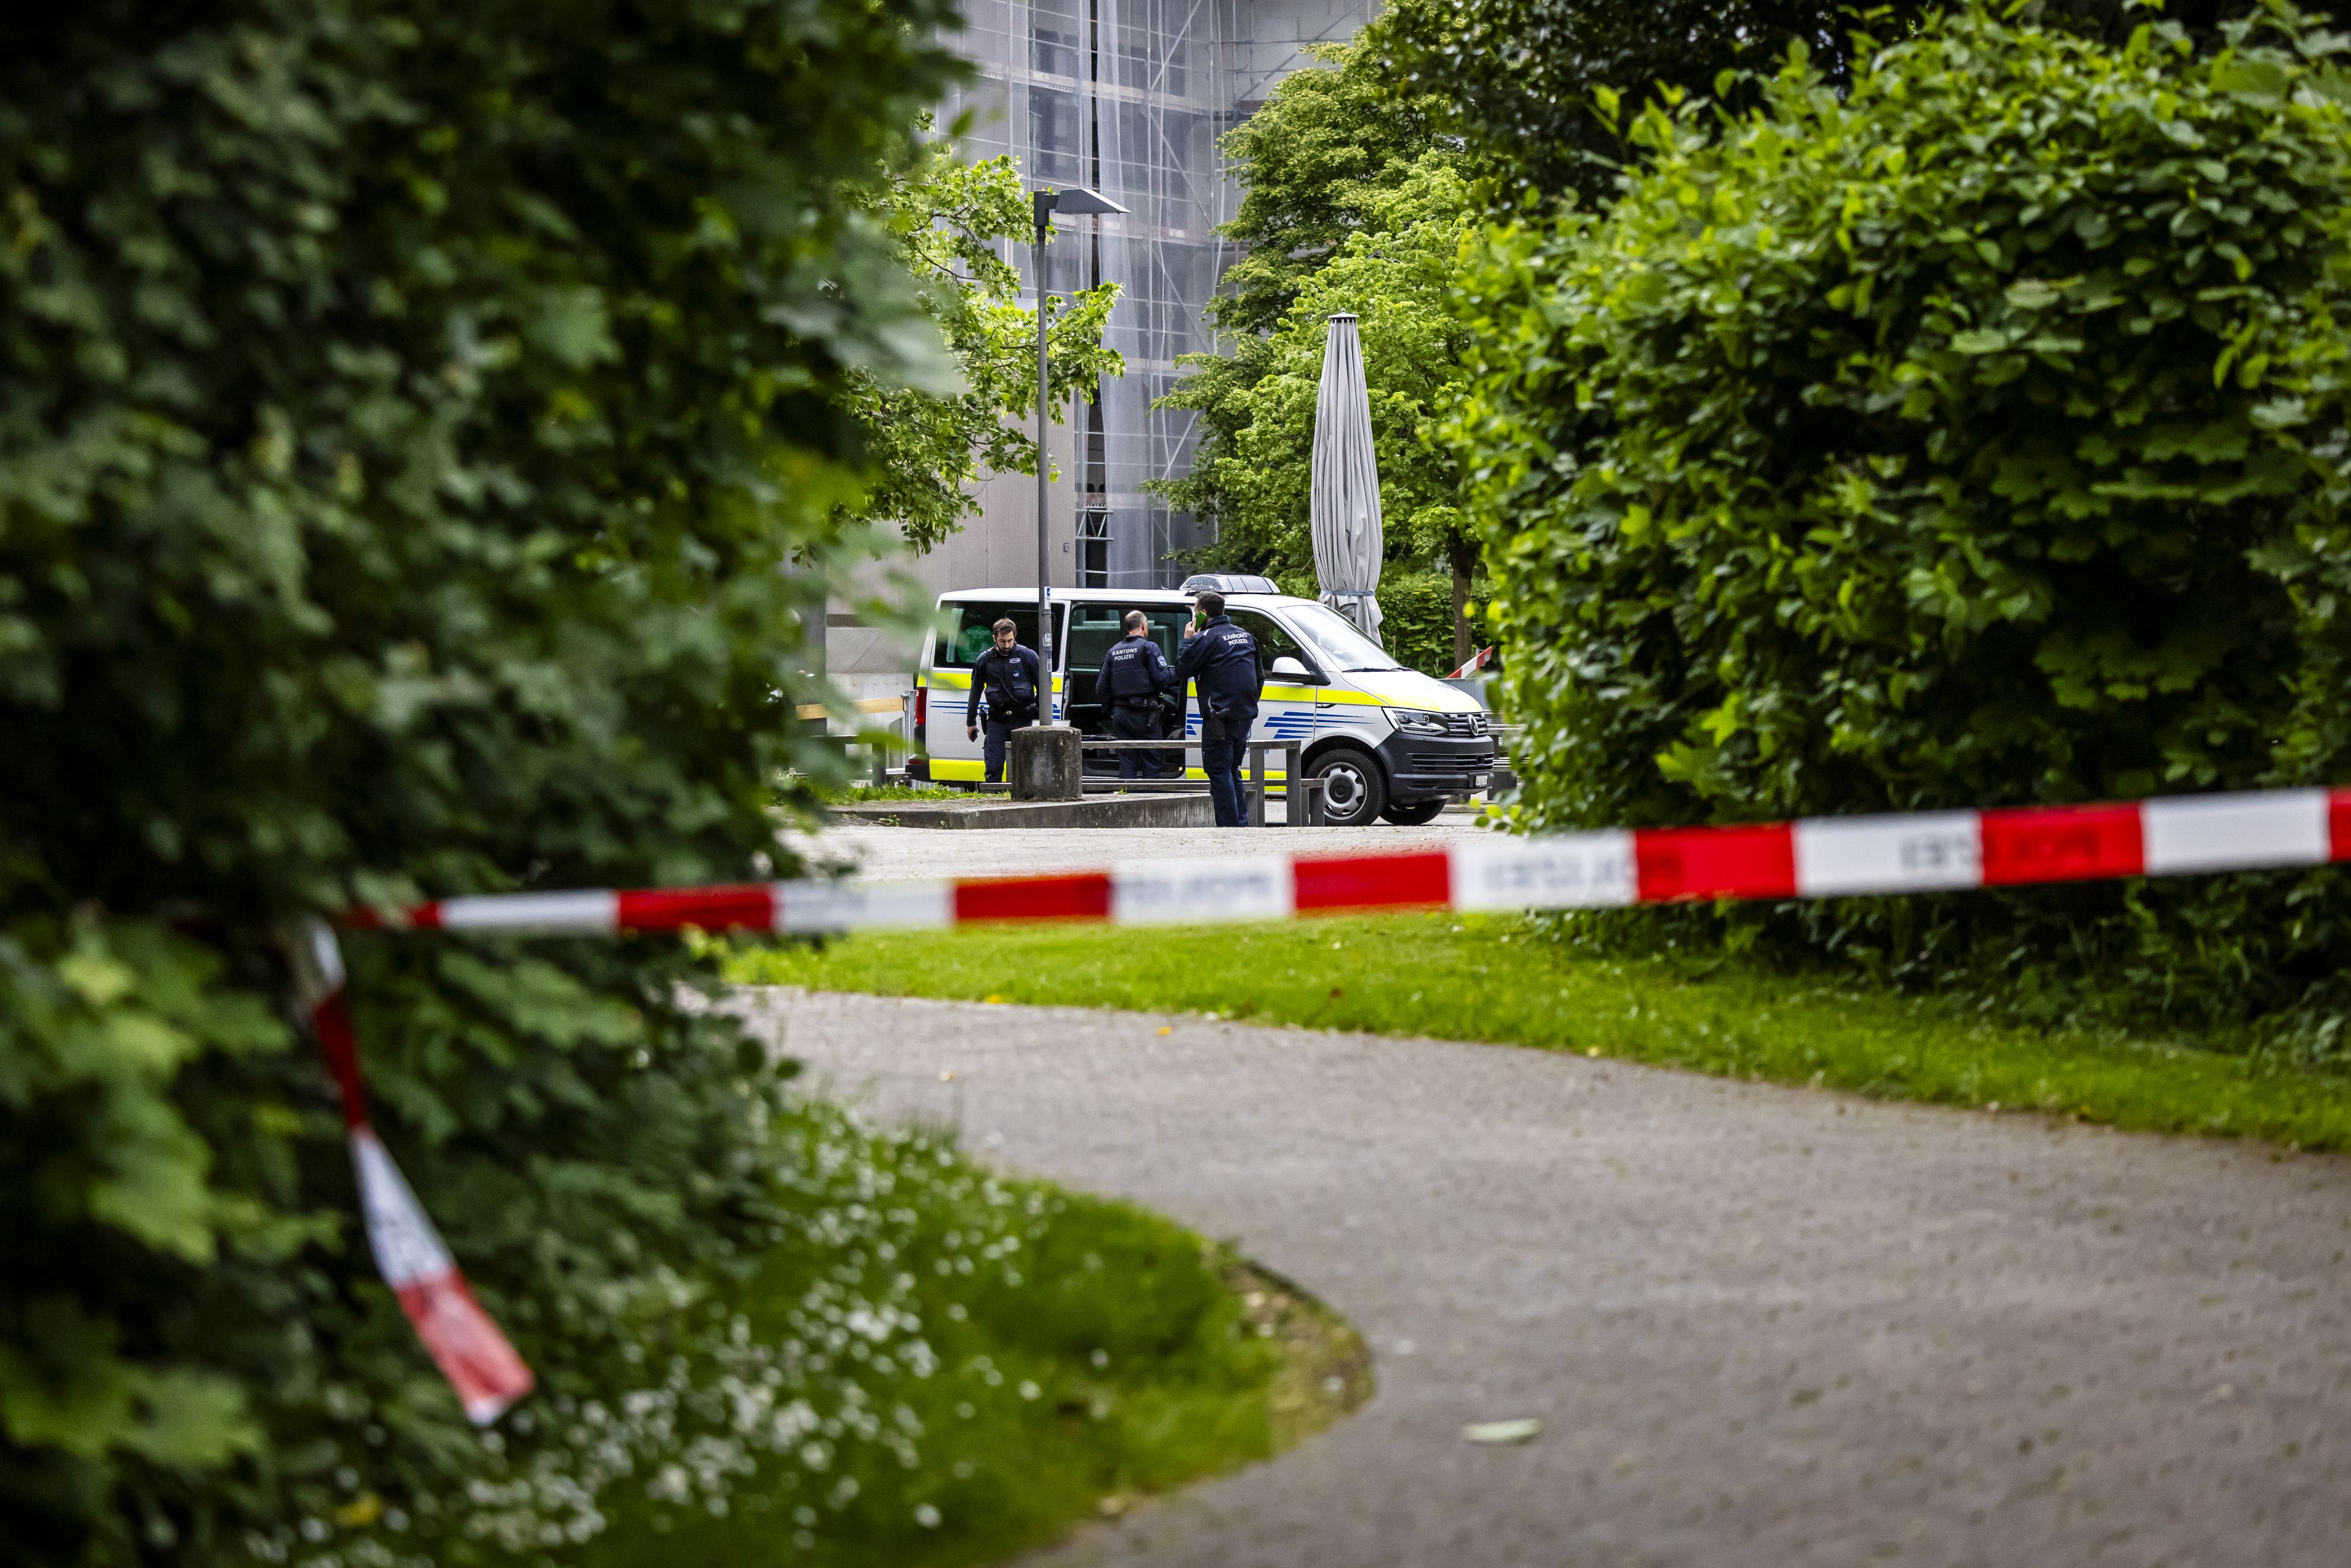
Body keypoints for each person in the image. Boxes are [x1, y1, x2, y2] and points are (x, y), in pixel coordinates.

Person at [1173, 590, 1260, 826]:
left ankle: (1229, 829)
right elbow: (1259, 678)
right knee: (1233, 770)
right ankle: (1241, 824)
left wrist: (1188, 639)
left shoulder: (1206, 639)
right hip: (1244, 717)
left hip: (1218, 720)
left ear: (1202, 614)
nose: (1194, 616)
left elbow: (1182, 670)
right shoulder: (1246, 637)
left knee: (1219, 773)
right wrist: (1247, 705)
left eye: (1195, 611)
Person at [1094, 610, 1178, 780]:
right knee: (1152, 760)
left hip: (1120, 715)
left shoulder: (1113, 652)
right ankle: (1149, 802)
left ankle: (1127, 800)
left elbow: (1101, 687)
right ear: (1143, 626)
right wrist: (1179, 671)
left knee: (1127, 761)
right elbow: (1162, 677)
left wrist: (1111, 709)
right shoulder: (1149, 647)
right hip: (1146, 714)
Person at [964, 618, 1044, 783]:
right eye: (1002, 641)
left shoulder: (1028, 656)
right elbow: (975, 691)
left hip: (1022, 719)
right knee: (993, 764)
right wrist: (971, 722)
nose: (1006, 645)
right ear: (995, 638)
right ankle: (993, 802)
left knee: (1024, 766)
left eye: (1010, 641)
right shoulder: (985, 660)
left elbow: (1044, 688)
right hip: (997, 720)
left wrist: (1038, 711)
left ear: (1015, 637)